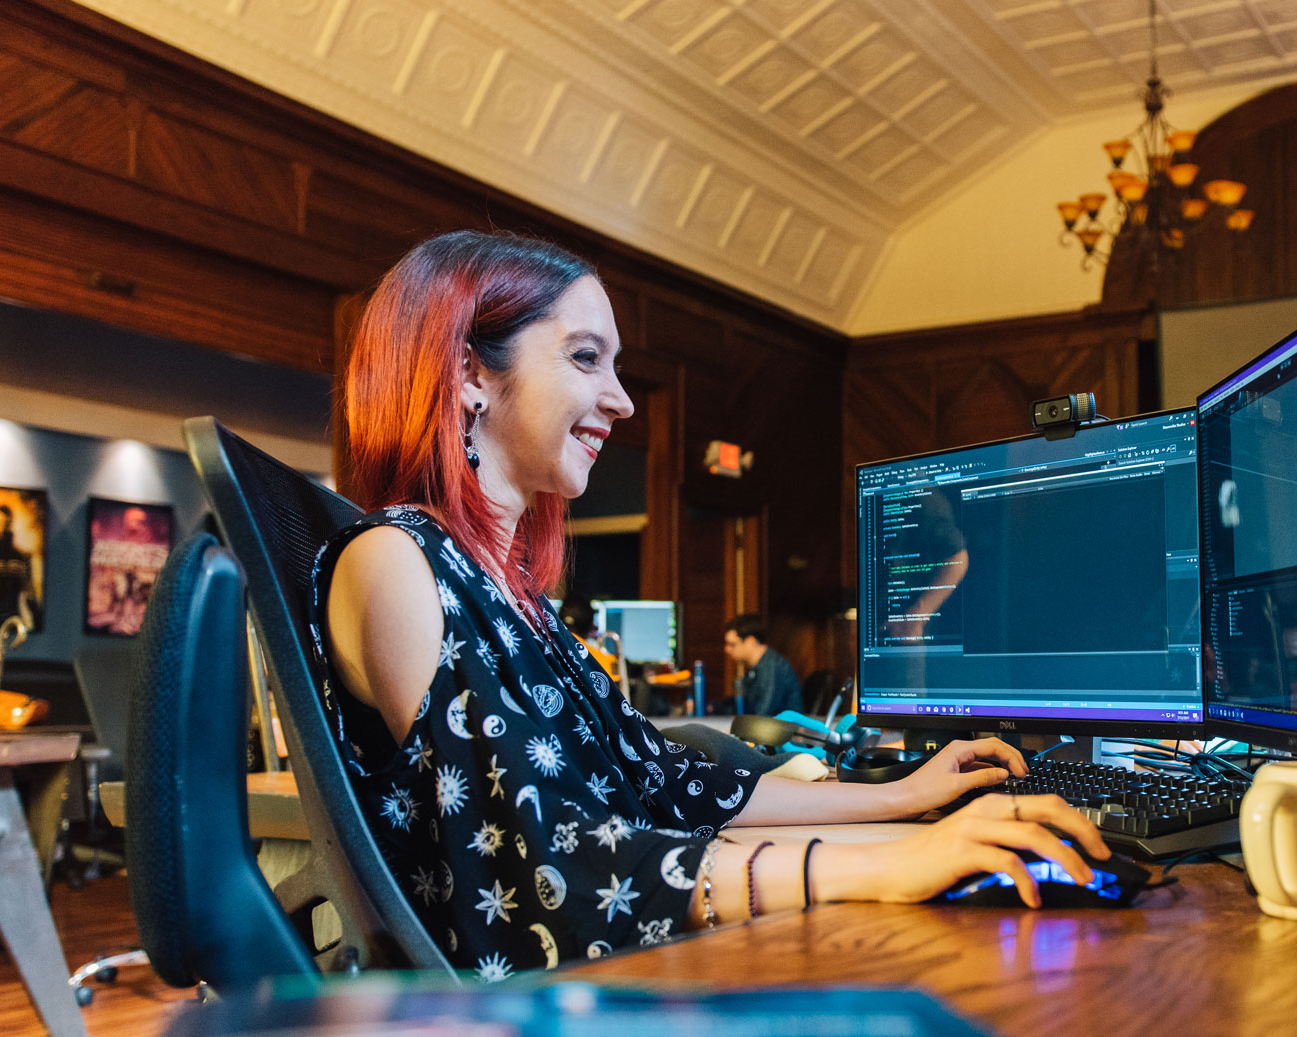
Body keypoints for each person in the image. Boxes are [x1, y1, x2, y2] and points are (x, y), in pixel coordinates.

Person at [313, 230, 1107, 983]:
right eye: (586, 358)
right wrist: (890, 860)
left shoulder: (512, 595)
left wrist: (905, 803)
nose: (621, 400)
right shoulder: (394, 560)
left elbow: (665, 784)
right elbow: (554, 865)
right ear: (469, 373)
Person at [722, 613, 800, 716]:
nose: (727, 649)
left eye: (732, 644)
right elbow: (744, 704)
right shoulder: (758, 667)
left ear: (750, 642)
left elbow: (764, 713)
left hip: (781, 730)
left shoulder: (772, 667)